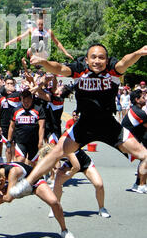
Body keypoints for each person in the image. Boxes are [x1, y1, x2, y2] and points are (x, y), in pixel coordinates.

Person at [9, 44, 147, 202]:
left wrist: (138, 52)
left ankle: (141, 184)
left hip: (109, 125)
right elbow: (60, 68)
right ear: (87, 60)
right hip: (84, 125)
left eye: (101, 57)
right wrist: (44, 63)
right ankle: (27, 183)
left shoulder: (112, 70)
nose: (97, 61)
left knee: (145, 155)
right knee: (55, 153)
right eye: (93, 57)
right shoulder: (80, 69)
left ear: (107, 60)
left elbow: (125, 62)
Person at [0, 162, 75, 238]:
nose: (0, 188)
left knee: (54, 202)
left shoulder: (13, 172)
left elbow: (8, 199)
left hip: (33, 183)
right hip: (17, 185)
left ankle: (64, 230)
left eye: (1, 185)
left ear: (3, 179)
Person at [39, 143, 111, 219]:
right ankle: (55, 208)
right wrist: (56, 170)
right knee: (57, 183)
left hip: (84, 163)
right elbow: (53, 165)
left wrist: (68, 175)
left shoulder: (66, 149)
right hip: (70, 165)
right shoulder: (54, 154)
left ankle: (102, 208)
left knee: (99, 185)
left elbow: (76, 167)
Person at [4, 15, 73, 61]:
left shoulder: (48, 31)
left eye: (41, 25)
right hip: (33, 51)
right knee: (32, 49)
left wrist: (66, 53)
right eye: (38, 24)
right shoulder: (32, 30)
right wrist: (7, 43)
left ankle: (40, 61)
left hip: (43, 53)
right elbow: (19, 38)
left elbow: (57, 43)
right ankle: (33, 59)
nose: (40, 26)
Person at [7, 89, 45, 166]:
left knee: (33, 163)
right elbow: (11, 127)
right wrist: (9, 141)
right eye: (24, 102)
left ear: (31, 99)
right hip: (20, 141)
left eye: (28, 101)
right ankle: (20, 176)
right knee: (20, 160)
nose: (26, 104)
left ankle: (33, 177)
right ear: (21, 100)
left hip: (34, 141)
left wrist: (40, 141)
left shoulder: (38, 110)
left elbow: (42, 126)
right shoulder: (16, 110)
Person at [121, 89, 147, 193]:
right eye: (142, 97)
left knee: (143, 159)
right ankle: (141, 185)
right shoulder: (138, 112)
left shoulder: (136, 110)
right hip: (124, 142)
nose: (145, 99)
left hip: (130, 140)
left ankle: (137, 184)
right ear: (137, 100)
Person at [0, 77, 22, 162]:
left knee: (17, 146)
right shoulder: (0, 97)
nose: (10, 85)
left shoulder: (18, 95)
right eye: (8, 84)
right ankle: (8, 164)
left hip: (17, 125)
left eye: (11, 84)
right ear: (5, 85)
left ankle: (16, 163)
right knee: (8, 146)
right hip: (5, 125)